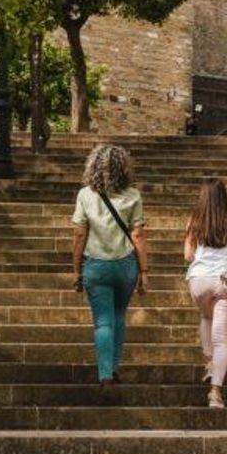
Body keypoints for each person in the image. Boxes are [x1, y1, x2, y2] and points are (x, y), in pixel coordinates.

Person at [70, 143, 149, 393]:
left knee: (103, 322)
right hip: (125, 264)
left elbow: (79, 234)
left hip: (96, 264)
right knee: (118, 316)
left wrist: (75, 270)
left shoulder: (85, 195)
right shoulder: (133, 195)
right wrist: (144, 272)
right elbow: (138, 236)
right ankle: (114, 367)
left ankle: (104, 376)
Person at [184, 177, 227, 409]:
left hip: (199, 281)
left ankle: (209, 364)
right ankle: (215, 393)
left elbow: (188, 255)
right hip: (224, 281)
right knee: (221, 338)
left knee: (205, 317)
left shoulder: (195, 220)